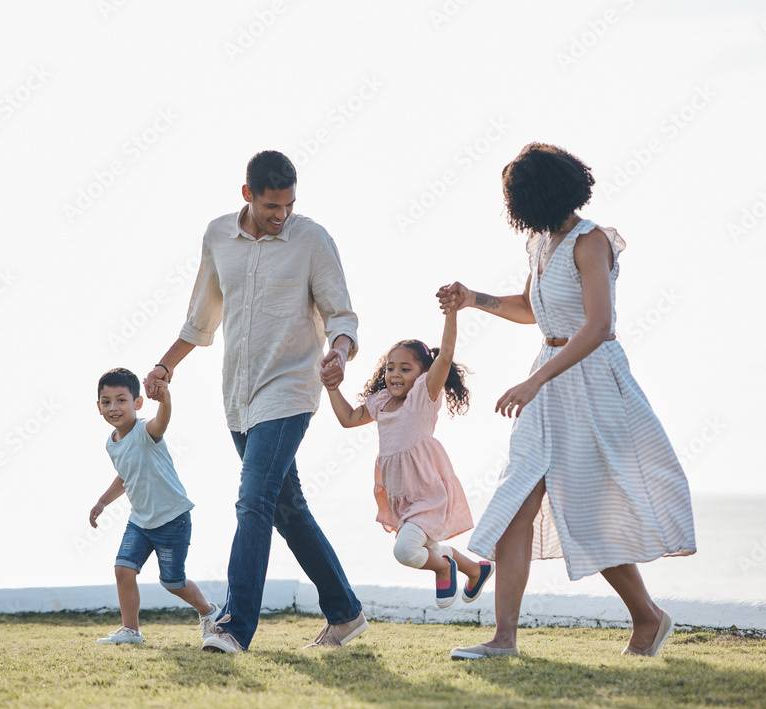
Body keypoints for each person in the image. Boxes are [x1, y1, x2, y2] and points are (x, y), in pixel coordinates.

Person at [438, 143, 696, 660]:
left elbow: (599, 326)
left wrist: (535, 382)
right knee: (518, 502)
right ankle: (504, 639)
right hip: (549, 379)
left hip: (592, 382)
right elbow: (532, 309)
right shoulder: (540, 243)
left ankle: (648, 617)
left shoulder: (590, 240)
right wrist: (473, 300)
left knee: (586, 514)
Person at [142, 150, 366, 654]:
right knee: (286, 507)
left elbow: (343, 316)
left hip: (291, 390)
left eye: (288, 204)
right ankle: (346, 614)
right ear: (247, 194)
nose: (280, 214)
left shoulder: (311, 239)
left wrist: (340, 352)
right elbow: (201, 320)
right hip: (239, 398)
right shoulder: (218, 236)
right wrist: (164, 366)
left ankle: (234, 626)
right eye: (271, 205)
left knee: (253, 502)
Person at [323, 309, 494, 608]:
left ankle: (443, 567)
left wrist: (451, 313)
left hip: (429, 493)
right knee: (424, 545)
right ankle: (475, 570)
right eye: (390, 368)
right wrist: (332, 388)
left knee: (406, 551)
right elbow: (348, 418)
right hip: (402, 496)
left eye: (405, 368)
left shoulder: (423, 396)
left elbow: (446, 354)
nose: (395, 375)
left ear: (423, 374)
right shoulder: (380, 402)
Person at [89, 367, 218, 645]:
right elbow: (126, 476)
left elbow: (162, 423)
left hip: (172, 519)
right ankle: (130, 631)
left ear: (137, 403)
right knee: (123, 570)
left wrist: (166, 400)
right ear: (98, 407)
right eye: (107, 401)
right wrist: (102, 501)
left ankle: (209, 612)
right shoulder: (112, 444)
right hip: (140, 521)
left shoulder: (146, 429)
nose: (114, 407)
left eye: (121, 400)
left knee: (173, 583)